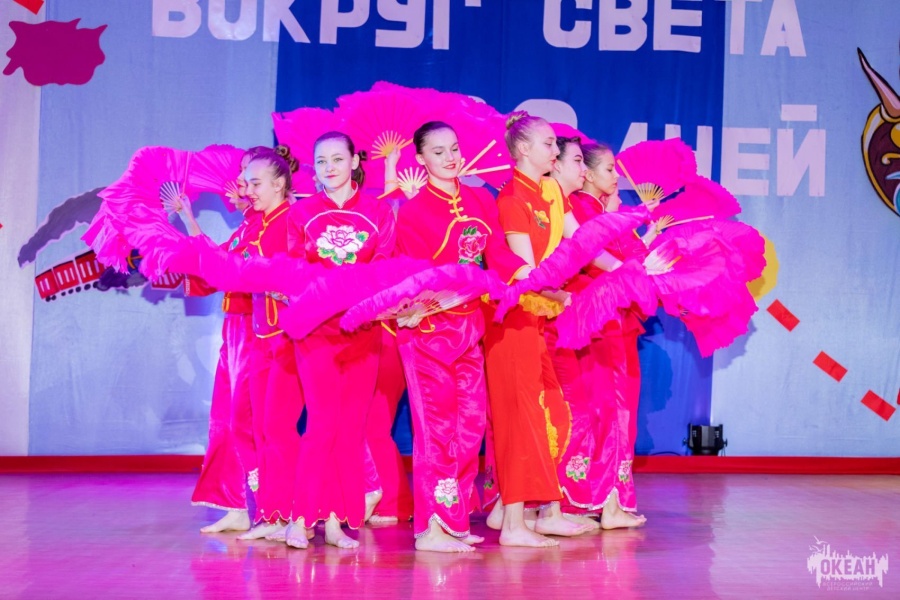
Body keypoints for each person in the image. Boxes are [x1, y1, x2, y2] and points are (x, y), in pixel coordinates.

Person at [393, 121, 529, 552]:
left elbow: (497, 253)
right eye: (438, 152)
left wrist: (529, 273)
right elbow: (411, 273)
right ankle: (431, 528)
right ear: (420, 159)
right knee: (436, 430)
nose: (450, 158)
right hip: (428, 331)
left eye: (454, 149)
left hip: (470, 328)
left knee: (470, 427)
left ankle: (453, 519)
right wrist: (418, 305)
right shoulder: (413, 211)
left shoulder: (479, 199)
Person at [482, 112, 606, 547]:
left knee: (551, 410)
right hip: (511, 320)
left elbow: (583, 245)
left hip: (536, 319)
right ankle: (514, 524)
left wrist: (629, 269)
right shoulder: (512, 196)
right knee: (521, 418)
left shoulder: (550, 190)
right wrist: (565, 297)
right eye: (549, 143)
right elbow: (527, 275)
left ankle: (526, 511)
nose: (556, 150)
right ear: (523, 150)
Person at [283, 132, 396, 550]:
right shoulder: (301, 213)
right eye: (320, 160)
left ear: (354, 162)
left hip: (363, 331)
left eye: (337, 159)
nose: (329, 167)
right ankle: (299, 520)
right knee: (321, 424)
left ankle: (334, 521)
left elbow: (384, 270)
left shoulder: (379, 212)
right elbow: (294, 271)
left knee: (350, 430)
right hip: (317, 331)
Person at [168, 147, 266, 533]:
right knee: (225, 419)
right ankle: (235, 504)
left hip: (260, 330)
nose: (238, 186)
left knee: (250, 422)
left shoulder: (274, 225)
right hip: (236, 333)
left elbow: (232, 270)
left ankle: (272, 508)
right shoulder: (245, 229)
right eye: (241, 178)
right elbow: (213, 264)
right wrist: (187, 218)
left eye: (248, 179)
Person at [233, 146, 307, 541]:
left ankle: (290, 513)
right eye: (247, 183)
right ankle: (269, 514)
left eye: (255, 183)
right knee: (260, 428)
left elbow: (307, 279)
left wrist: (279, 287)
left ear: (279, 185)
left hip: (289, 341)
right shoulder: (256, 224)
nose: (248, 191)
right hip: (262, 338)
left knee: (278, 428)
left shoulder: (294, 222)